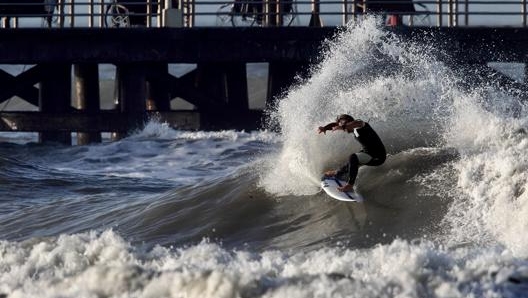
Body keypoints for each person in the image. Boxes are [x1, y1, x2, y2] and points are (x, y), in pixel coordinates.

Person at [317, 114, 386, 192]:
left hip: (377, 156)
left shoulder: (360, 125)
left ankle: (349, 185)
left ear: (347, 122)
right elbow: (335, 124)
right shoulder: (352, 129)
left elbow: (358, 122)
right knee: (347, 166)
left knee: (353, 157)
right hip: (368, 152)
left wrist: (343, 126)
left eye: (343, 124)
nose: (343, 129)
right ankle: (337, 173)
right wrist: (325, 128)